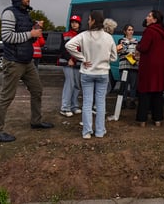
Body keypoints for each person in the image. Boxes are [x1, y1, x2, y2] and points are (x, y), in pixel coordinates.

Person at [0, 0, 54, 143]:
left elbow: (28, 39)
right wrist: (30, 33)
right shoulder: (9, 13)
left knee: (37, 90)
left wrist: (35, 31)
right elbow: (7, 37)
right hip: (13, 62)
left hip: (27, 61)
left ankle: (36, 121)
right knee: (7, 96)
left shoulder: (25, 14)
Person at [66, 11, 117, 139]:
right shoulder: (108, 37)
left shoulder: (84, 35)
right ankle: (100, 131)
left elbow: (69, 45)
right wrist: (105, 59)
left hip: (87, 72)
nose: (87, 21)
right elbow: (114, 57)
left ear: (93, 20)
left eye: (89, 19)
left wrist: (82, 58)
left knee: (87, 103)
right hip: (102, 73)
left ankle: (87, 132)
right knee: (100, 103)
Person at [136, 10, 164, 127]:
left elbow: (144, 47)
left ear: (154, 20)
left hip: (149, 65)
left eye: (149, 16)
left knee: (144, 92)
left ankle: (142, 119)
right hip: (161, 66)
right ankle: (158, 119)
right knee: (158, 92)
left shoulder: (149, 31)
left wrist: (137, 45)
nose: (147, 17)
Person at [59, 15, 82, 117]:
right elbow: (62, 49)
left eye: (76, 22)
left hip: (77, 63)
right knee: (70, 83)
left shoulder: (82, 36)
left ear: (79, 24)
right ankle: (65, 108)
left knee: (77, 84)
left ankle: (74, 106)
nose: (74, 24)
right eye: (72, 22)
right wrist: (69, 59)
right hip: (67, 62)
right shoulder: (65, 35)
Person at [117, 24, 139, 109]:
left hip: (134, 66)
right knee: (124, 84)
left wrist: (135, 56)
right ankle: (123, 101)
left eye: (132, 30)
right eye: (129, 30)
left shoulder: (136, 41)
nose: (131, 31)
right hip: (124, 65)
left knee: (133, 84)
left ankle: (132, 100)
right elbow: (119, 52)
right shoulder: (121, 41)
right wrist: (127, 53)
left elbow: (138, 53)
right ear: (125, 31)